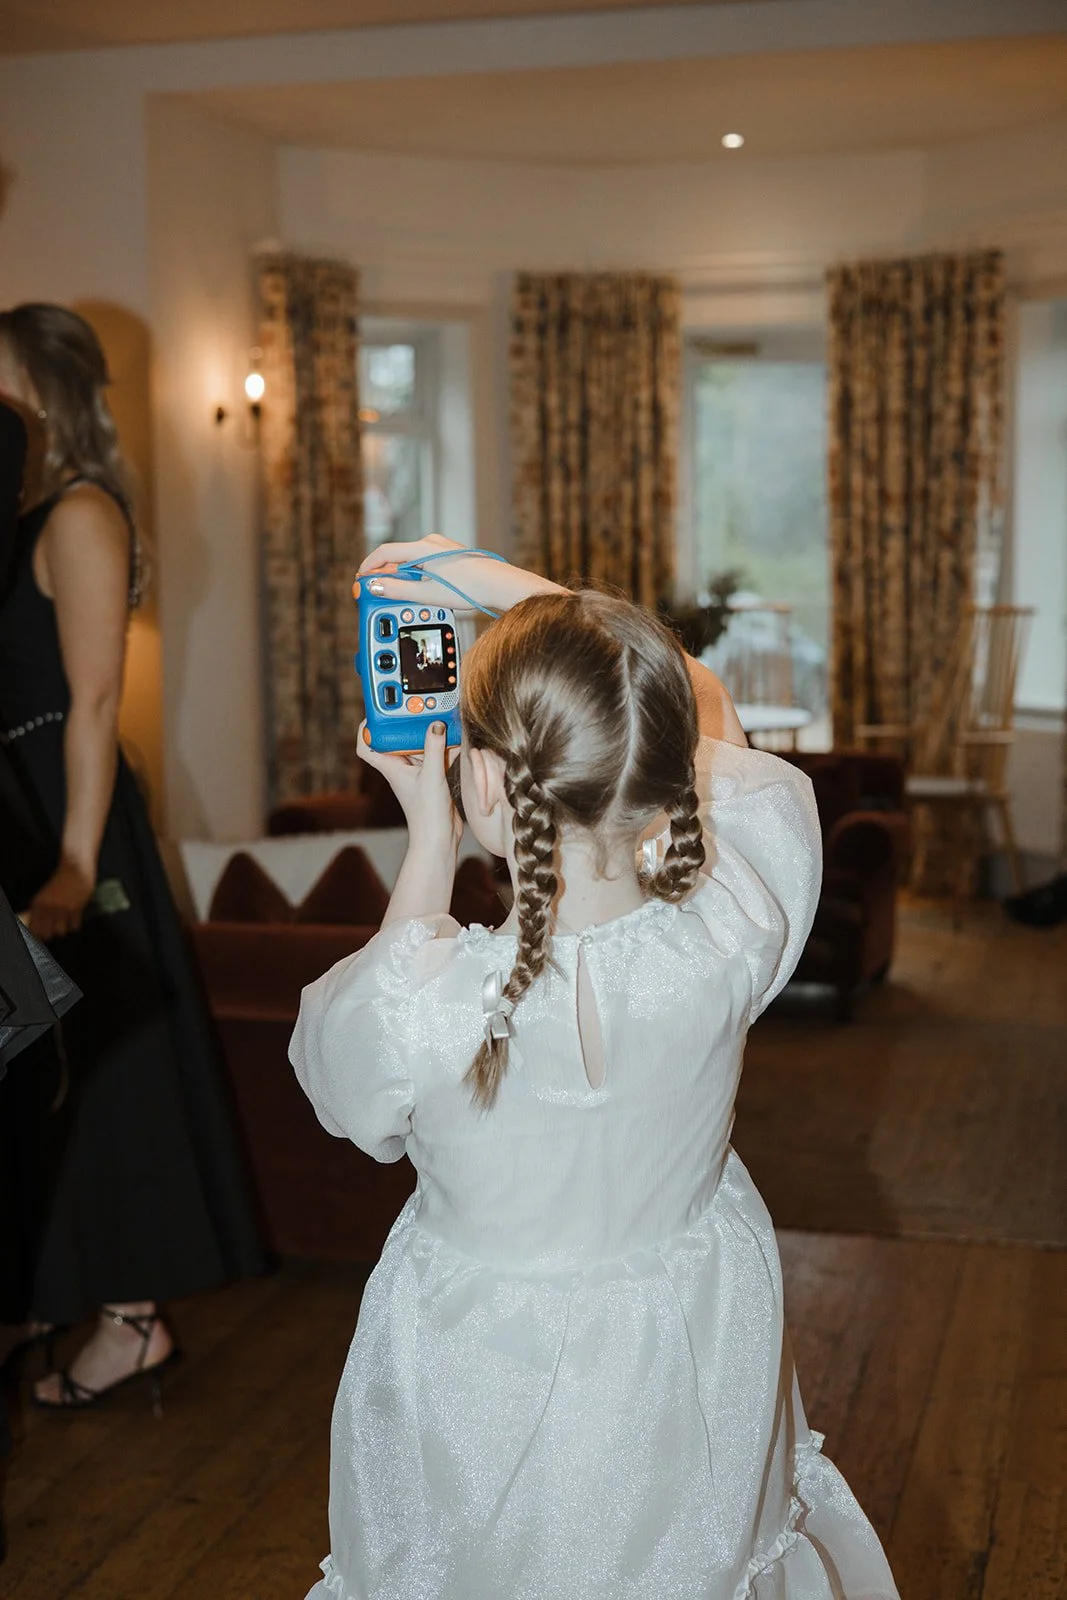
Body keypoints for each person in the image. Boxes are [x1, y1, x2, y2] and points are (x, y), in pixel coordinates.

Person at [290, 535, 900, 1600]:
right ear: (662, 773)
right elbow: (689, 689)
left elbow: (344, 1087)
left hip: (475, 1386)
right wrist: (487, 578)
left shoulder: (424, 1003)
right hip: (691, 1360)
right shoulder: (733, 925)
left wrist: (426, 838)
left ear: (480, 778)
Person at [0, 303, 264, 1410]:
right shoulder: (22, 516)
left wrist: (71, 858)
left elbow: (96, 698)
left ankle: (130, 1320)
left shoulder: (82, 512)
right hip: (21, 812)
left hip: (68, 817)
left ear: (44, 393)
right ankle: (52, 1294)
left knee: (108, 1078)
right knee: (41, 1081)